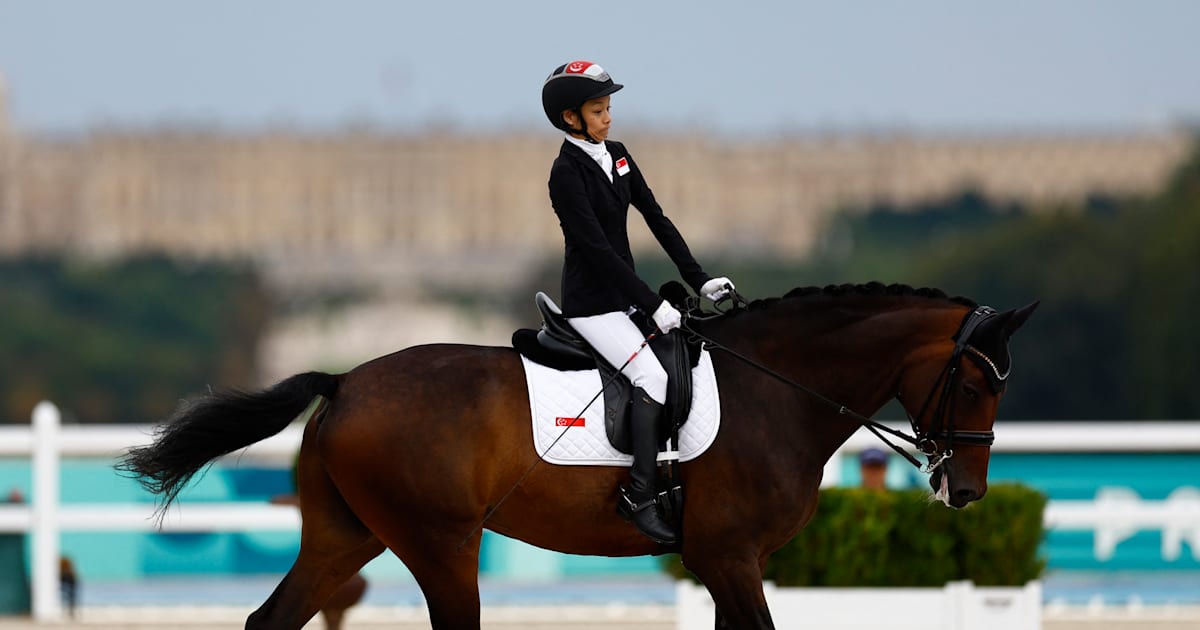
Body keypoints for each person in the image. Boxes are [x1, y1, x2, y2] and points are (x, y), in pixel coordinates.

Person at [541, 60, 735, 545]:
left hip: (622, 299)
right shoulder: (565, 174)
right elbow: (599, 253)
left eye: (608, 107)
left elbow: (656, 218)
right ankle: (640, 496)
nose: (608, 117)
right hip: (591, 304)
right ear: (571, 118)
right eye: (598, 110)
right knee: (652, 376)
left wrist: (700, 280)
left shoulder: (619, 155)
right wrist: (651, 304)